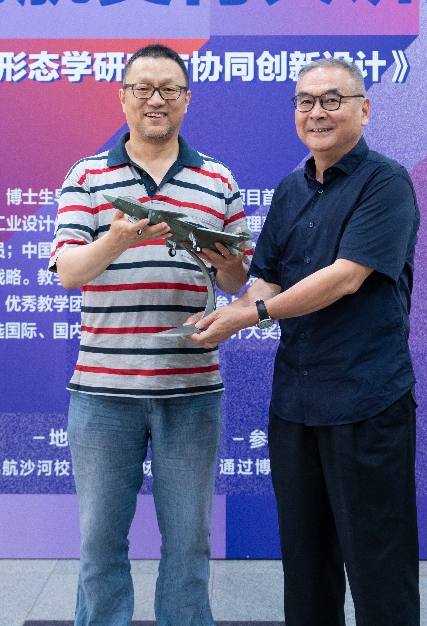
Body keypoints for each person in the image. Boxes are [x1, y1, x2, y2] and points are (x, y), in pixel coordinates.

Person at [188, 57, 420, 626]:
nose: (317, 112)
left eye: (332, 100)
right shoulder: (291, 189)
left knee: (379, 567)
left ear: (364, 110)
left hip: (367, 399)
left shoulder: (386, 182)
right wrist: (226, 308)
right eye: (305, 101)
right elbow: (266, 277)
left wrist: (252, 315)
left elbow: (346, 277)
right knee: (306, 564)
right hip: (296, 402)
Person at [50, 43, 249, 626]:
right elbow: (68, 272)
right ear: (123, 97)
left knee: (189, 543)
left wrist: (225, 262)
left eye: (169, 89)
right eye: (143, 89)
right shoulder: (88, 175)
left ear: (186, 100)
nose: (155, 100)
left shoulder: (217, 179)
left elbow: (238, 279)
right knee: (99, 543)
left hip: (191, 389)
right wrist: (116, 239)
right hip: (102, 390)